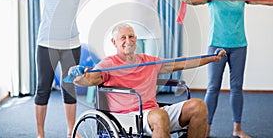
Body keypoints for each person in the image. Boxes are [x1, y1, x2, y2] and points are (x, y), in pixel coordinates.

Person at [0, 0, 145, 138]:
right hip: (46, 45)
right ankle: (40, 134)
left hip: (71, 45)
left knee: (69, 89)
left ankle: (71, 131)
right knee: (43, 89)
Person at [72, 23, 226, 138]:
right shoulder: (108, 63)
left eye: (131, 36)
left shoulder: (148, 61)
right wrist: (78, 76)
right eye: (123, 38)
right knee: (159, 116)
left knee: (198, 106)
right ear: (114, 42)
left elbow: (180, 63)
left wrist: (212, 58)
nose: (128, 40)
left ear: (136, 39)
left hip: (153, 112)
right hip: (127, 116)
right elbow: (90, 79)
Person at [181, 0, 273, 138]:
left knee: (236, 87)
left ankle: (237, 128)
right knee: (213, 88)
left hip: (239, 45)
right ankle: (205, 129)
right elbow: (198, 0)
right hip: (216, 45)